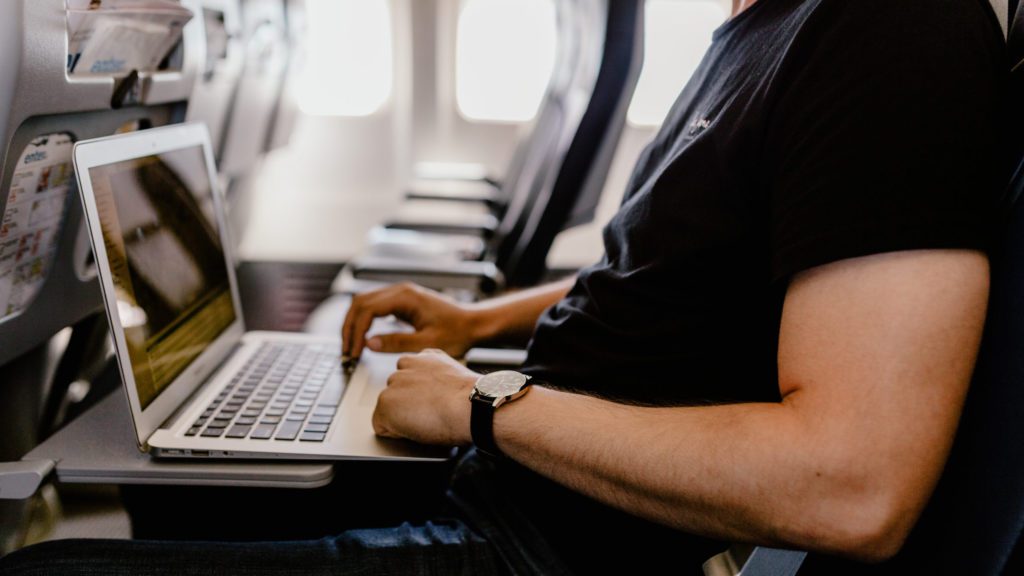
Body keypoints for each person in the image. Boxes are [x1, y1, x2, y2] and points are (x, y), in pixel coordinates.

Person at [0, 0, 1006, 574]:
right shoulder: (757, 28)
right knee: (166, 494)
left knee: (47, 570)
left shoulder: (891, 29)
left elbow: (852, 484)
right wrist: (480, 320)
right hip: (512, 484)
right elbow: (672, 276)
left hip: (539, 551)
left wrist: (486, 402)